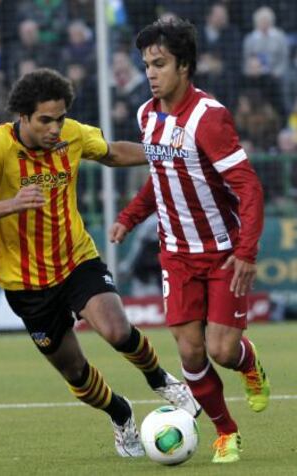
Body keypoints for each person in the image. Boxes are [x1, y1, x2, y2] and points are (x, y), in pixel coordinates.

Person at [0, 67, 200, 458]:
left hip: (76, 260)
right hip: (26, 283)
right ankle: (120, 414)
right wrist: (14, 203)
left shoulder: (71, 135)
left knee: (116, 328)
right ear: (23, 117)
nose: (55, 128)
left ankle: (162, 380)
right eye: (45, 120)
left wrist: (167, 155)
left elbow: (114, 152)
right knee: (75, 371)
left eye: (60, 118)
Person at [109, 19, 270, 464]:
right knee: (190, 351)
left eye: (159, 64)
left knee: (221, 349)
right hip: (176, 255)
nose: (151, 74)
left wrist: (246, 252)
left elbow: (249, 187)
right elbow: (160, 178)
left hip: (221, 252)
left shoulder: (209, 118)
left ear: (184, 66)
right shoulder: (146, 115)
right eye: (146, 65)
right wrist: (129, 217)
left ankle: (249, 363)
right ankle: (226, 432)